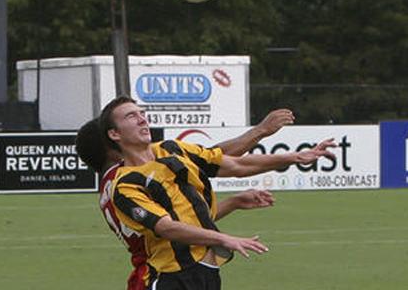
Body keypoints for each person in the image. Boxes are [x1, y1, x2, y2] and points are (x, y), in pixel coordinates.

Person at [99, 96, 335, 290]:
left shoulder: (172, 149)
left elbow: (235, 165)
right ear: (114, 134)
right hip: (172, 277)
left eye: (142, 113)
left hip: (207, 271)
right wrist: (224, 238)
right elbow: (167, 227)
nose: (142, 120)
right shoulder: (125, 185)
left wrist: (297, 156)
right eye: (132, 116)